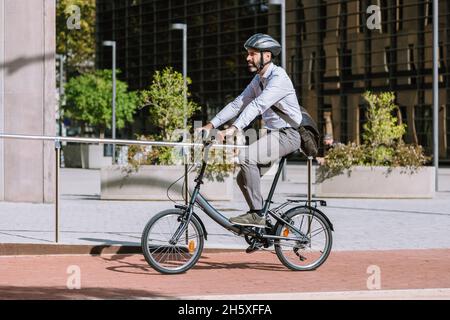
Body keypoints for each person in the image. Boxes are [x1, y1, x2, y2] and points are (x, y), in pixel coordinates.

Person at [197, 33, 302, 228]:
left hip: (289, 134)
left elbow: (258, 105)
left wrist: (234, 129)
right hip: (274, 135)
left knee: (246, 158)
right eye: (248, 54)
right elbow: (239, 104)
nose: (248, 58)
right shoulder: (259, 80)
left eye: (252, 54)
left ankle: (256, 215)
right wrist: (211, 124)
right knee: (242, 178)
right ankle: (261, 220)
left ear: (267, 56)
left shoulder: (279, 78)